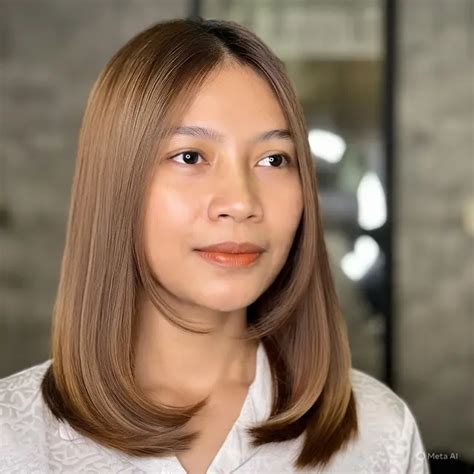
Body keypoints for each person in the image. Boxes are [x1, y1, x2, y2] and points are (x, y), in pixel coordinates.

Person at [0, 18, 430, 474]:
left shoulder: (381, 432)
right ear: (114, 181)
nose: (241, 203)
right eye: (190, 156)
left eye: (273, 159)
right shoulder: (12, 438)